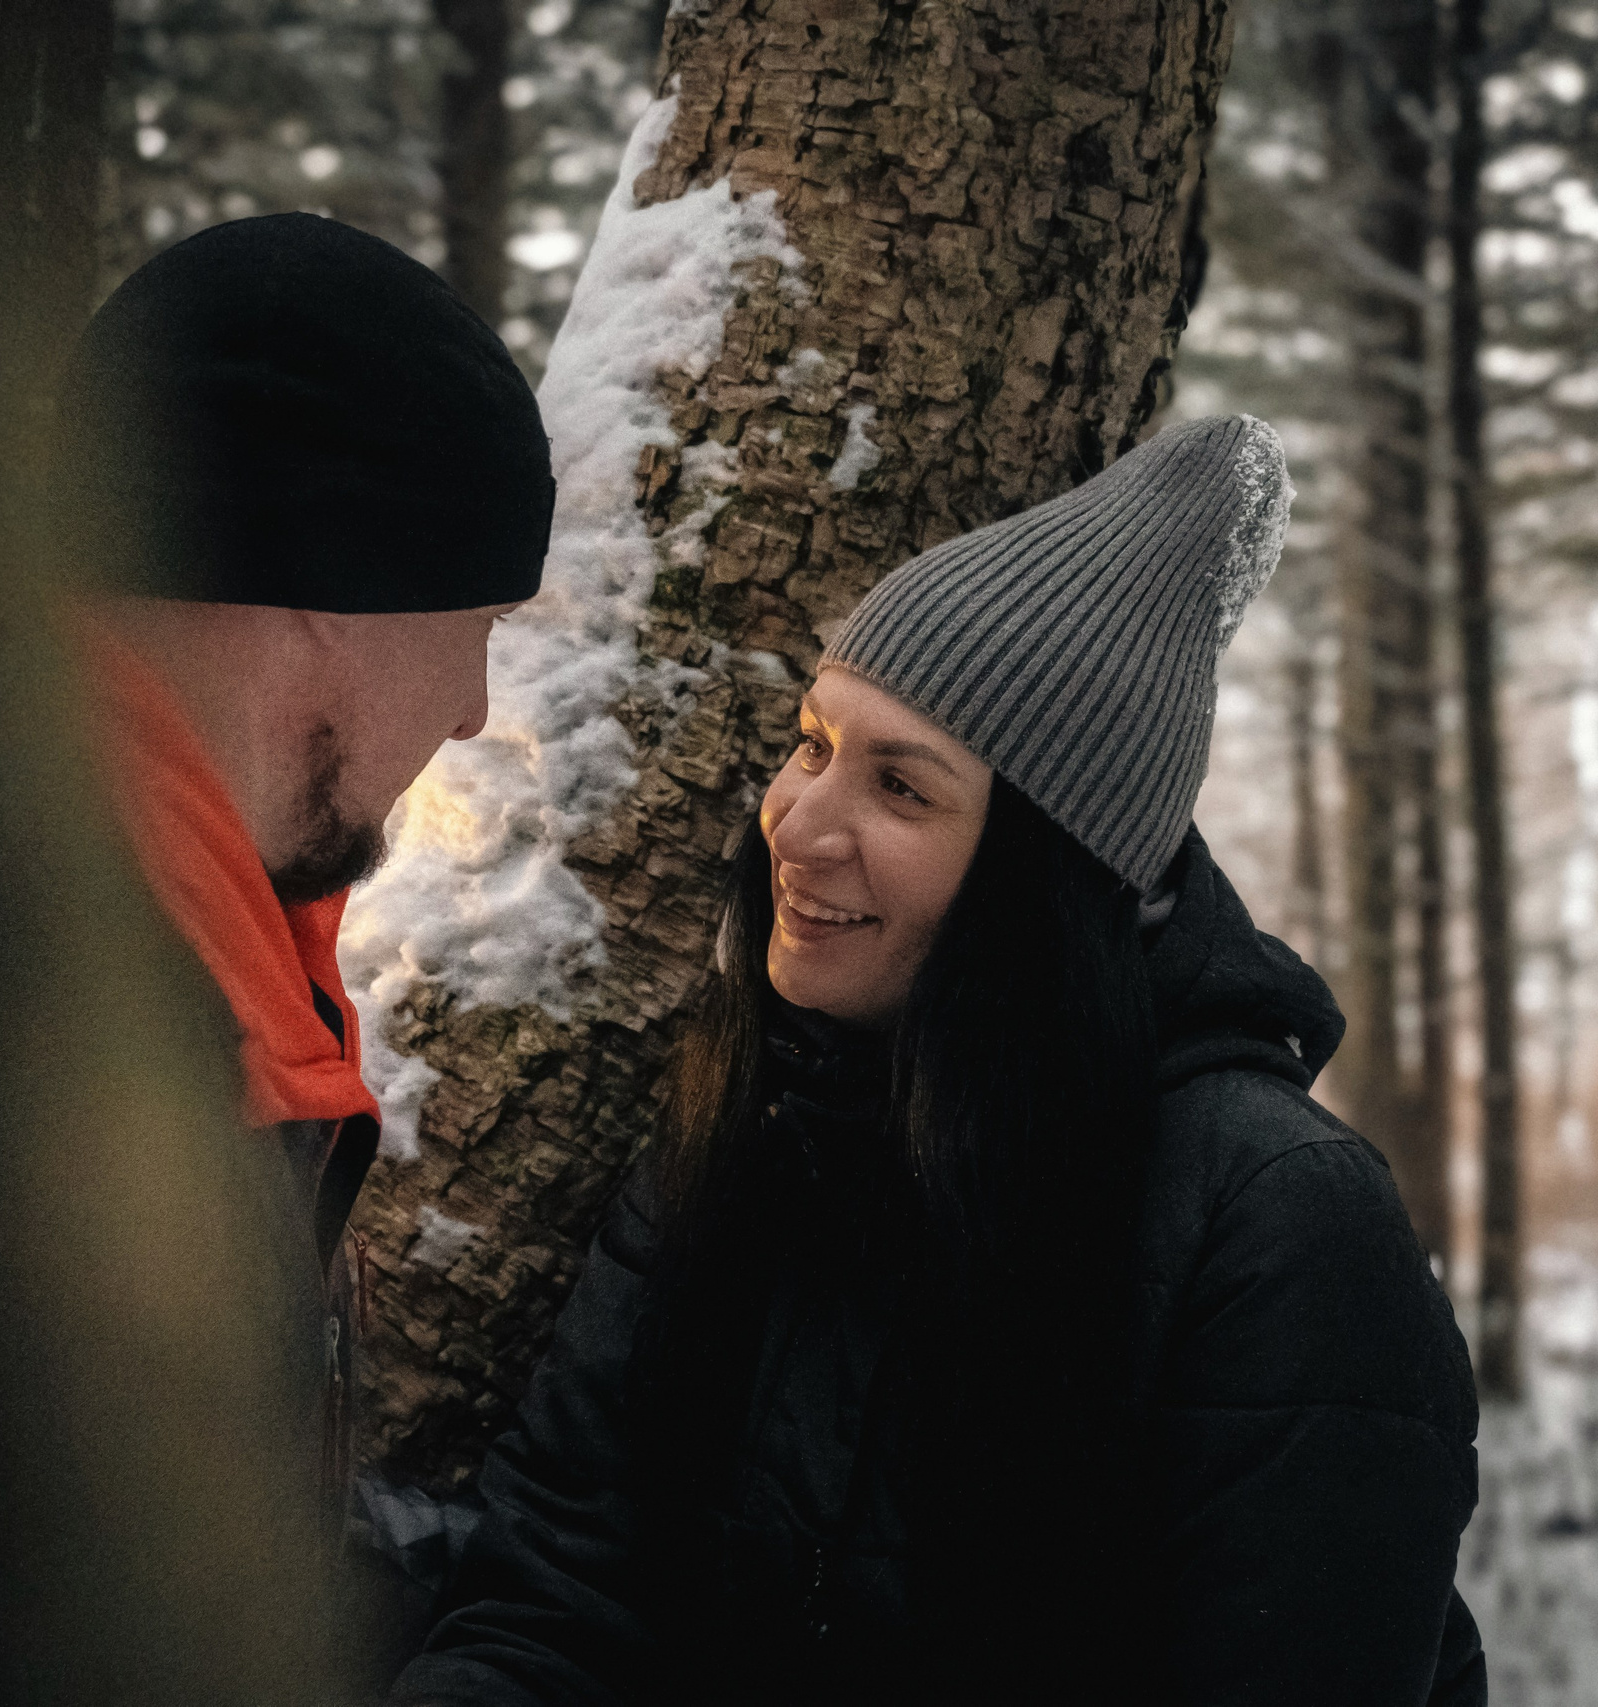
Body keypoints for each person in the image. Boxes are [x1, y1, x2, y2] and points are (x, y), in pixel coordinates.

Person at [390, 416, 1487, 1705]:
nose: (798, 820)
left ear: (1050, 878)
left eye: (902, 790)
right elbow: (559, 1598)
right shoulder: (751, 1122)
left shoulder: (1279, 1227)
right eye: (812, 744)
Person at [49, 212, 554, 1530]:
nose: (471, 712)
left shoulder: (203, 952)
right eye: (478, 624)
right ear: (345, 586)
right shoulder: (40, 1045)